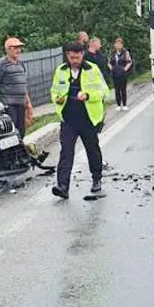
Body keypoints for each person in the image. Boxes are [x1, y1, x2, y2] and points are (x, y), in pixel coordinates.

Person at [50, 42, 109, 199]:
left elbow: (104, 91)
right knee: (66, 151)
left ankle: (96, 179)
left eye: (77, 57)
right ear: (67, 56)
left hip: (88, 117)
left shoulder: (92, 70)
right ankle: (63, 186)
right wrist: (57, 99)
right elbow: (54, 90)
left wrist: (88, 95)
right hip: (68, 118)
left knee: (92, 149)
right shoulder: (61, 71)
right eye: (71, 57)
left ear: (82, 55)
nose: (75, 60)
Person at [0, 37, 33, 136]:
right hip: (9, 105)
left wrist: (28, 103)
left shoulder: (20, 64)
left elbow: (22, 86)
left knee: (21, 132)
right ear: (7, 49)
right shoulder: (1, 64)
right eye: (15, 47)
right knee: (11, 132)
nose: (18, 50)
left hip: (20, 104)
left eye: (19, 47)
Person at [109, 38, 133, 111]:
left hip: (122, 72)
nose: (118, 45)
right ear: (115, 45)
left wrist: (125, 69)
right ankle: (118, 104)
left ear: (122, 45)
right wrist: (112, 68)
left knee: (123, 89)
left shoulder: (125, 52)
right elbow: (109, 62)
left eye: (119, 44)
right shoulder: (112, 53)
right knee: (117, 89)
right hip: (115, 72)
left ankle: (125, 104)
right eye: (117, 44)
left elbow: (129, 62)